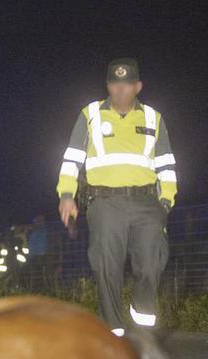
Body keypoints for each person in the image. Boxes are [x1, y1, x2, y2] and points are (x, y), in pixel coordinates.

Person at [56, 58, 178, 336]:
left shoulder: (153, 118)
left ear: (138, 86)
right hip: (105, 202)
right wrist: (66, 195)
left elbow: (167, 165)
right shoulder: (90, 115)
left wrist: (166, 202)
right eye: (115, 84)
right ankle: (115, 332)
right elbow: (71, 159)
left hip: (147, 203)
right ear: (108, 85)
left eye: (127, 85)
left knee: (152, 261)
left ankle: (142, 312)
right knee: (106, 265)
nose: (120, 90)